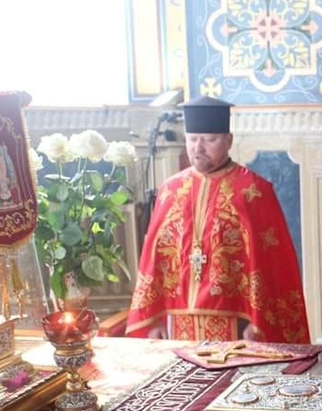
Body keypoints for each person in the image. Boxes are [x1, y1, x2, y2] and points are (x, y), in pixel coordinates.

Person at [127, 96, 309, 343]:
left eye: (209, 140)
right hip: (178, 324)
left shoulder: (253, 191)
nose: (198, 148)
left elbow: (273, 263)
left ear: (228, 140)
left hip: (238, 324)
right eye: (193, 139)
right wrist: (154, 319)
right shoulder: (170, 190)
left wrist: (259, 321)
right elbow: (153, 259)